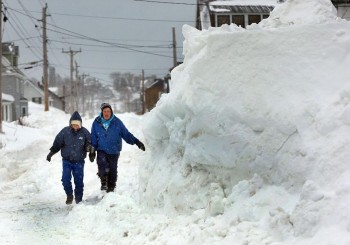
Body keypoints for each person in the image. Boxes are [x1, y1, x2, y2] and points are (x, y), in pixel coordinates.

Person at [90, 102, 145, 193]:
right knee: (102, 164)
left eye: (108, 111)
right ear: (102, 112)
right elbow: (93, 137)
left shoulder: (117, 122)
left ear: (111, 112)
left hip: (114, 150)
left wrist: (136, 142)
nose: (106, 113)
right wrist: (92, 150)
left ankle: (111, 187)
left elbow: (126, 134)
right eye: (104, 111)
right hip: (101, 149)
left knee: (113, 169)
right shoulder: (96, 122)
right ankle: (103, 182)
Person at [46, 111, 94, 205]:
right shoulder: (65, 131)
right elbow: (57, 143)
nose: (75, 126)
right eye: (73, 124)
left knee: (79, 181)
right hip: (67, 161)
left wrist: (91, 153)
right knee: (65, 179)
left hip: (79, 162)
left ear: (80, 124)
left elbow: (90, 144)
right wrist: (51, 153)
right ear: (70, 124)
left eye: (77, 124)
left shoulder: (84, 132)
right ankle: (69, 195)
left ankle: (78, 201)